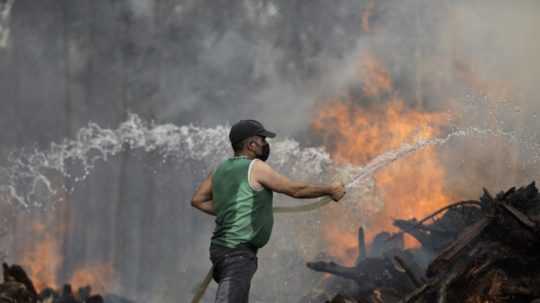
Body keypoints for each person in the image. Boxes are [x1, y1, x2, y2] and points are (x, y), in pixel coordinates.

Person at [191, 119, 346, 303]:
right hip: (237, 254)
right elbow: (295, 190)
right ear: (251, 144)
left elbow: (198, 200)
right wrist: (330, 189)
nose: (266, 144)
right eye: (263, 140)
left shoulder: (219, 169)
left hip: (221, 251)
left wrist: (232, 209)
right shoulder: (255, 167)